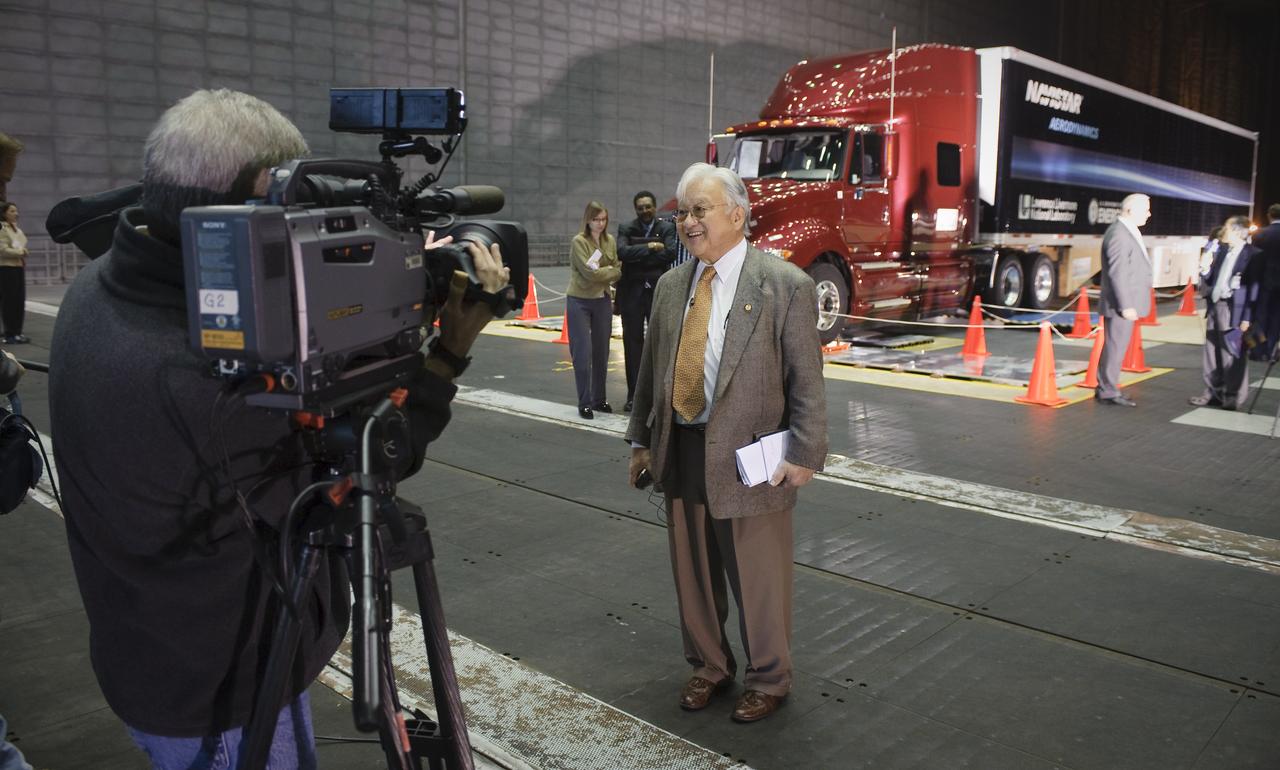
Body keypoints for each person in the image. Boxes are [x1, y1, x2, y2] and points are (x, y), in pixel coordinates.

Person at [47, 88, 508, 768]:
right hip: (225, 695)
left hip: (152, 650)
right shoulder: (210, 381)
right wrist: (448, 350)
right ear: (251, 206)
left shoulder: (100, 289)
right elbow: (376, 458)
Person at [625, 163, 827, 723]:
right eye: (683, 212)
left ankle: (771, 676)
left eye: (700, 211)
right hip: (682, 446)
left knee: (758, 576)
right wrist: (641, 441)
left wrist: (805, 455)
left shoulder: (785, 284)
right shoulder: (671, 285)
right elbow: (651, 374)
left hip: (752, 457)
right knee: (692, 570)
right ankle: (709, 665)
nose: (687, 222)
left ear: (737, 214)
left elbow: (805, 380)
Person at [1189, 215, 1260, 409]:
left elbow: (1253, 289)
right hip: (1215, 305)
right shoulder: (1222, 251)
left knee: (1233, 354)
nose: (1223, 232)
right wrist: (1204, 269)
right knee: (1212, 353)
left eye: (1227, 228)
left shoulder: (1253, 255)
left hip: (1234, 310)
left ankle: (1233, 396)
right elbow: (1212, 278)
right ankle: (1212, 393)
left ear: (1237, 231)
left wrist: (1247, 317)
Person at [617, 191, 677, 413]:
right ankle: (633, 396)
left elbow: (670, 254)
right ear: (636, 209)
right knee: (632, 346)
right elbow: (622, 252)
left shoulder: (667, 228)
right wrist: (652, 247)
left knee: (660, 344)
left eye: (648, 206)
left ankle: (658, 397)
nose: (644, 211)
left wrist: (637, 250)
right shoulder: (626, 228)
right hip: (631, 293)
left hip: (658, 293)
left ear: (654, 207)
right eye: (640, 207)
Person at [1096, 193, 1153, 407]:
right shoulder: (1120, 234)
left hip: (1123, 303)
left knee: (1116, 346)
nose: (1149, 214)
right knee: (1115, 347)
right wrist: (1126, 304)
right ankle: (1108, 391)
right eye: (1145, 209)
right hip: (1120, 304)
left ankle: (1107, 387)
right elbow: (1117, 273)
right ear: (1130, 210)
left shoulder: (1126, 231)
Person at [566, 201, 620, 419]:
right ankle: (584, 402)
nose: (600, 223)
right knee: (582, 352)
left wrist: (607, 270)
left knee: (602, 352)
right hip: (579, 300)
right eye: (596, 219)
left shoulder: (610, 241)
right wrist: (610, 270)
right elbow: (590, 274)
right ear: (588, 220)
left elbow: (618, 270)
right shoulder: (579, 242)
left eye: (604, 219)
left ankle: (599, 399)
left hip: (603, 300)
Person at [1248, 204, 1280, 361]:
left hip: (1263, 281)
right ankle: (1271, 350)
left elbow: (1253, 258)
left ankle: (1258, 350)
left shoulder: (1260, 234)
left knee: (1260, 315)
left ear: (1269, 215)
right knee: (1276, 316)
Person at [0, 202, 29, 344]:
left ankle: (18, 331)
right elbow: (2, 250)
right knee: (9, 301)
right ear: (4, 213)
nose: (15, 214)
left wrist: (23, 252)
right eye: (12, 211)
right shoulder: (2, 229)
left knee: (19, 300)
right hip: (6, 268)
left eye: (16, 211)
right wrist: (20, 252)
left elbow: (22, 244)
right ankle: (9, 333)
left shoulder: (17, 229)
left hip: (18, 267)